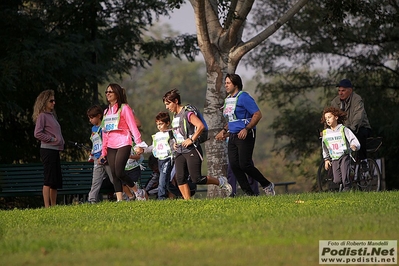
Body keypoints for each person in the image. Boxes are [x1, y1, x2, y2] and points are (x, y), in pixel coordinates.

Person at [163, 89, 232, 200]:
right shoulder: (174, 117)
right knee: (180, 178)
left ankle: (221, 182)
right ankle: (188, 202)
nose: (167, 107)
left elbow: (200, 126)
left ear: (175, 101)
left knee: (196, 178)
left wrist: (192, 139)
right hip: (180, 151)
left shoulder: (187, 113)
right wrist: (174, 143)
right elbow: (176, 134)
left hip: (192, 149)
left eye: (168, 103)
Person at [215, 73, 275, 196]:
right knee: (234, 165)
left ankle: (267, 184)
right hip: (232, 135)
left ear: (235, 84)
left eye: (228, 83)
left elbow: (257, 114)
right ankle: (250, 193)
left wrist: (247, 129)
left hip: (245, 134)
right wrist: (224, 130)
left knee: (245, 164)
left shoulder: (244, 97)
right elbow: (232, 119)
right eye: (225, 83)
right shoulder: (228, 100)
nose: (225, 85)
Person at [98, 83, 148, 202]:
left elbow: (133, 126)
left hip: (124, 142)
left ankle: (137, 191)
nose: (108, 94)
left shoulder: (124, 108)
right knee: (114, 173)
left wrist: (139, 144)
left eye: (110, 92)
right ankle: (120, 200)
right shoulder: (106, 112)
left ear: (117, 93)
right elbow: (105, 133)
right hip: (110, 144)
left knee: (120, 171)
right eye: (106, 92)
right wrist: (103, 152)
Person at [33, 90, 65, 208]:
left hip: (55, 150)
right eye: (51, 101)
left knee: (55, 180)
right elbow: (37, 133)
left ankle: (54, 205)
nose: (53, 103)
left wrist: (60, 142)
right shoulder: (42, 116)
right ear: (44, 102)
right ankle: (47, 206)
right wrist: (51, 139)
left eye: (54, 100)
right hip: (48, 150)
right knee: (49, 178)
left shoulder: (51, 116)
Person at [331, 79, 371, 170]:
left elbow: (358, 116)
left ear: (350, 90)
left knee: (361, 134)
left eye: (343, 90)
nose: (340, 93)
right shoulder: (335, 102)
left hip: (360, 127)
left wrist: (351, 129)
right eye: (339, 91)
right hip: (344, 129)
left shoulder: (357, 99)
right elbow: (330, 117)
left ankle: (364, 161)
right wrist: (327, 131)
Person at [321, 107, 361, 190]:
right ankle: (349, 175)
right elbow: (324, 147)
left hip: (344, 156)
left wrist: (354, 146)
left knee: (345, 178)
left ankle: (347, 189)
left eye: (329, 117)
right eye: (326, 118)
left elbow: (353, 140)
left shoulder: (343, 129)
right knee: (337, 179)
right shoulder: (326, 133)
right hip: (334, 158)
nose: (327, 120)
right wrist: (326, 159)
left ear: (336, 117)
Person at [87, 105, 114, 203]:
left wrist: (105, 155)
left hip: (105, 158)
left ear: (99, 116)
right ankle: (92, 199)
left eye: (92, 117)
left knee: (113, 179)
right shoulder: (93, 129)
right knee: (96, 181)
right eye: (89, 118)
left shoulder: (104, 127)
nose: (90, 120)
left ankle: (124, 195)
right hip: (97, 158)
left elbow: (106, 142)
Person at [150, 111, 174, 200]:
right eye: (157, 124)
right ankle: (179, 193)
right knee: (166, 182)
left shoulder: (171, 133)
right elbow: (153, 147)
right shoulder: (156, 135)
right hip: (160, 160)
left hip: (168, 159)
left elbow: (175, 144)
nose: (159, 126)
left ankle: (161, 198)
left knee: (162, 179)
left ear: (168, 123)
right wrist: (143, 149)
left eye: (161, 124)